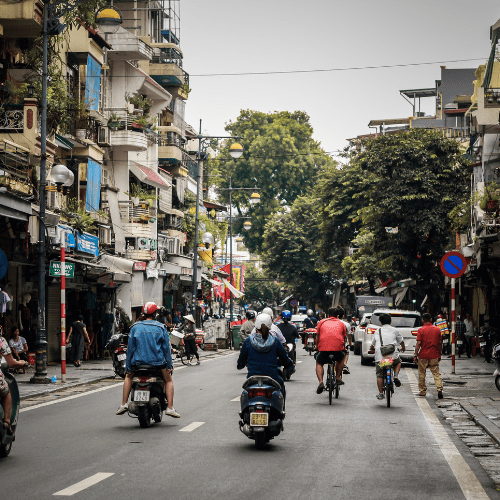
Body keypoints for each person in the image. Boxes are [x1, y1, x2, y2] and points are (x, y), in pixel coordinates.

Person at [116, 302, 179, 417]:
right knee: (168, 380)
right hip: (158, 364)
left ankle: (124, 404)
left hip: (137, 363)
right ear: (155, 313)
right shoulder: (161, 327)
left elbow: (130, 349)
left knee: (128, 376)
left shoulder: (135, 327)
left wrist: (128, 366)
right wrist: (169, 365)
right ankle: (170, 407)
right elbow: (166, 350)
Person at [237, 313, 293, 396]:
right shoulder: (275, 341)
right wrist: (289, 365)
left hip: (252, 378)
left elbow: (241, 362)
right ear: (270, 325)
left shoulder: (248, 341)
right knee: (282, 386)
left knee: (245, 394)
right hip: (272, 377)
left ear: (256, 325)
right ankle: (282, 409)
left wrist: (241, 365)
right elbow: (284, 359)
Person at [369, 313, 405, 400]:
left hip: (380, 357)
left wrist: (371, 349)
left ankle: (381, 393)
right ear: (390, 321)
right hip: (392, 356)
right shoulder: (395, 330)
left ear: (381, 322)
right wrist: (403, 348)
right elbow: (401, 341)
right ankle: (395, 376)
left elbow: (373, 344)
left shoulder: (378, 331)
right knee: (398, 362)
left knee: (380, 375)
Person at [314, 306, 348, 394]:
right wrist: (343, 347)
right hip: (337, 349)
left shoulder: (321, 322)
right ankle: (337, 378)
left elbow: (317, 336)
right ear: (337, 315)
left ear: (328, 315)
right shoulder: (341, 324)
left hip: (324, 349)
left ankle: (321, 382)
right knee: (341, 358)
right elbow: (344, 337)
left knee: (319, 362)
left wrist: (317, 346)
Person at [0, 336, 28, 434]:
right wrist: (22, 363)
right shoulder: (1, 340)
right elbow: (11, 363)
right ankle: (7, 422)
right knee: (6, 392)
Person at [415, 312, 443, 399]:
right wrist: (439, 353)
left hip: (423, 355)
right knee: (436, 373)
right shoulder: (437, 329)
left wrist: (415, 355)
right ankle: (439, 389)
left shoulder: (420, 330)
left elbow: (419, 343)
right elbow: (440, 343)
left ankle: (422, 391)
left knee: (422, 373)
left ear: (422, 320)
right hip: (434, 354)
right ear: (431, 320)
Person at [337, 307, 353, 374]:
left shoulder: (327, 322)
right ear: (343, 316)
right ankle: (344, 365)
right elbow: (349, 337)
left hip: (328, 346)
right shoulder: (346, 324)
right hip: (342, 345)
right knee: (346, 352)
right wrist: (350, 344)